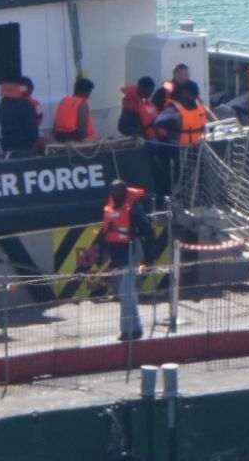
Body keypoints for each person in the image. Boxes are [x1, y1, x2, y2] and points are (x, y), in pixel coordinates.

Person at [94, 180, 155, 341]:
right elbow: (105, 232)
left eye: (118, 191)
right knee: (127, 294)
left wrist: (149, 258)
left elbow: (147, 231)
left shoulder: (134, 208)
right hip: (117, 254)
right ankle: (134, 328)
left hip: (131, 250)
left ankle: (129, 329)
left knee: (124, 291)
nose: (115, 194)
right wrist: (101, 255)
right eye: (113, 191)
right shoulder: (110, 208)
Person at [0, 76, 40, 156]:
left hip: (7, 145)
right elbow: (31, 128)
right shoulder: (25, 104)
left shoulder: (3, 102)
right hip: (24, 147)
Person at [53, 78, 96, 142]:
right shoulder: (81, 103)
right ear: (85, 92)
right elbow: (83, 132)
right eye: (89, 93)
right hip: (76, 140)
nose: (88, 96)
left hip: (59, 138)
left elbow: (54, 127)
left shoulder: (63, 101)